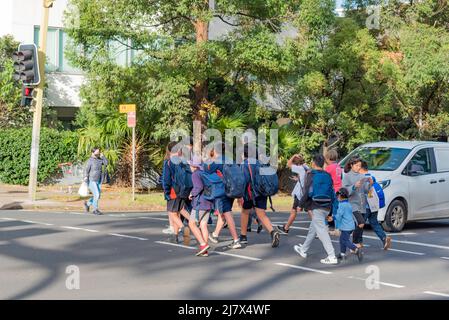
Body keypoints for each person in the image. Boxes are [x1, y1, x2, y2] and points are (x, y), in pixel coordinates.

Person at [293, 154, 338, 265]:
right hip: (327, 205)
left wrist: (300, 204)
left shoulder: (311, 174)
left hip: (316, 205)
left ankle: (332, 256)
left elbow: (306, 191)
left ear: (313, 163)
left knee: (321, 231)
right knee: (313, 228)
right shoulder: (327, 175)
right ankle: (303, 249)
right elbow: (332, 191)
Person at [239, 144, 281, 247]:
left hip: (250, 193)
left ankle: (243, 236)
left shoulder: (245, 164)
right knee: (261, 214)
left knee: (245, 212)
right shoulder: (261, 163)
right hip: (262, 191)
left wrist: (240, 194)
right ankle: (272, 231)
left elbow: (244, 180)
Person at [206, 142, 242, 249]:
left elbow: (206, 170)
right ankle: (215, 235)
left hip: (222, 191)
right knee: (224, 213)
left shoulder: (216, 162)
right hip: (232, 189)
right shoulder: (230, 159)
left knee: (227, 214)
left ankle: (236, 240)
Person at [161, 141, 191, 243]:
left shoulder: (168, 162)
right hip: (183, 190)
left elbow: (166, 179)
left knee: (172, 213)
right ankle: (175, 235)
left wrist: (166, 191)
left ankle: (183, 228)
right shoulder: (183, 161)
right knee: (178, 211)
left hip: (173, 191)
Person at [359, 160, 392, 250]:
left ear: (360, 168)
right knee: (374, 223)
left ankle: (359, 242)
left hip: (365, 206)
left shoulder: (363, 179)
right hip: (374, 205)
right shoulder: (371, 177)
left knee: (360, 224)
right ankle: (384, 238)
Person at [276, 154, 308, 235]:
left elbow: (288, 164)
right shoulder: (306, 167)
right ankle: (286, 227)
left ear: (296, 163)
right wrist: (298, 179)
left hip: (300, 194)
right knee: (310, 211)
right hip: (305, 193)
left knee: (294, 211)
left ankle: (286, 228)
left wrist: (294, 155)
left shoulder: (300, 168)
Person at [330, 188, 363, 262]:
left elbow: (339, 215)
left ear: (341, 196)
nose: (337, 197)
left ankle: (356, 249)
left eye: (338, 196)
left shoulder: (342, 205)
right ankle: (342, 254)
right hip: (350, 226)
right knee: (342, 239)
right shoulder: (348, 204)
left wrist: (332, 217)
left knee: (344, 240)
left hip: (346, 227)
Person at [188, 156, 212, 257]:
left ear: (193, 165)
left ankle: (203, 245)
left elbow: (198, 187)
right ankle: (205, 250)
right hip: (209, 202)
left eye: (190, 164)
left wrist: (191, 194)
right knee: (203, 225)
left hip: (199, 203)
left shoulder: (195, 174)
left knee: (191, 224)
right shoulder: (205, 172)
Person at [342, 156, 369, 248]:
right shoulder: (347, 176)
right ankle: (354, 242)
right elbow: (344, 191)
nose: (358, 167)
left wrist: (370, 184)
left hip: (361, 204)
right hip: (352, 204)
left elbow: (365, 190)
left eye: (360, 166)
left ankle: (346, 238)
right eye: (357, 165)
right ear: (351, 165)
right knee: (360, 222)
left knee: (357, 225)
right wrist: (354, 186)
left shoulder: (362, 176)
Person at [83, 147, 108, 215]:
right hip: (91, 180)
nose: (98, 153)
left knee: (97, 195)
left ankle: (87, 204)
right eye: (96, 152)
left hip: (99, 179)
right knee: (96, 194)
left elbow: (106, 163)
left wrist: (103, 157)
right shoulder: (90, 160)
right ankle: (95, 209)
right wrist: (85, 177)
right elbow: (86, 170)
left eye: (99, 152)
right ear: (92, 153)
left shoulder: (100, 160)